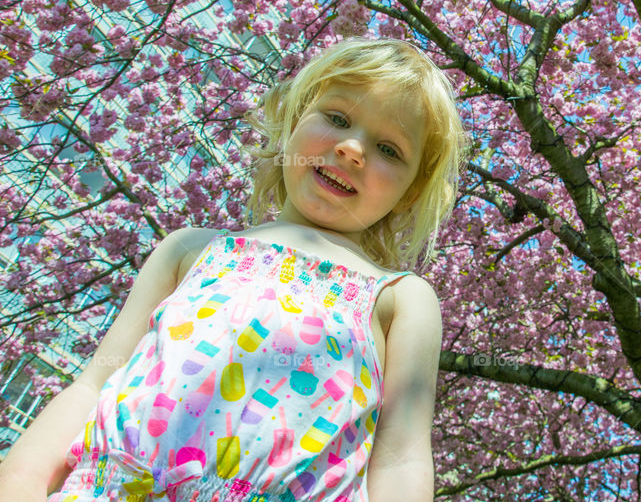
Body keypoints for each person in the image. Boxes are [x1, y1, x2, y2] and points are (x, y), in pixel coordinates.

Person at [0, 38, 468, 502]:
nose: (351, 148)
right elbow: (95, 381)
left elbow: (402, 455)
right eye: (338, 118)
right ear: (292, 122)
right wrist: (19, 483)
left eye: (389, 149)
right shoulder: (192, 249)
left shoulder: (399, 298)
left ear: (410, 192)